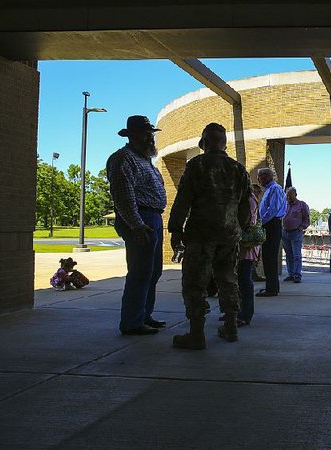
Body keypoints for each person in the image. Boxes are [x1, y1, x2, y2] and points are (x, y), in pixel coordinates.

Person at [167, 123, 250, 349]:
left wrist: (175, 229)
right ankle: (231, 327)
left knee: (195, 282)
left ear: (203, 143)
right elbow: (245, 208)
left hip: (201, 235)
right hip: (229, 235)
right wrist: (238, 230)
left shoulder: (197, 165)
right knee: (228, 279)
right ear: (224, 144)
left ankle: (196, 334)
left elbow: (183, 199)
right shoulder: (237, 169)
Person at [106, 115, 167, 336]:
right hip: (140, 219)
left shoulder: (145, 160)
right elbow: (123, 196)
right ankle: (132, 322)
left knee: (153, 271)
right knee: (140, 272)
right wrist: (137, 225)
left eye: (151, 133)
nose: (151, 137)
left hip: (153, 218)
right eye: (146, 133)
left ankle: (144, 315)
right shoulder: (123, 159)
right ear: (133, 135)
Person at [256, 167, 287, 297]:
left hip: (272, 224)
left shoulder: (274, 188)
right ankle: (271, 286)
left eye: (260, 177)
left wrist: (260, 222)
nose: (259, 180)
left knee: (270, 257)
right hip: (269, 224)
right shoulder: (270, 189)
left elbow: (273, 209)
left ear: (267, 176)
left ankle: (272, 289)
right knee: (268, 257)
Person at [236, 182, 262, 325]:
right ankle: (239, 311)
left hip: (244, 246)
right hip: (243, 246)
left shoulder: (247, 199)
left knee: (244, 280)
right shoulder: (248, 198)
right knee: (241, 280)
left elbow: (244, 222)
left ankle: (245, 314)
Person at [280, 186, 310, 283]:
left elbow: (307, 219)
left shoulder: (302, 205)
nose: (288, 197)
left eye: (290, 195)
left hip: (296, 232)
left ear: (295, 195)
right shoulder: (284, 204)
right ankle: (291, 274)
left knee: (297, 255)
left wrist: (301, 227)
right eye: (287, 195)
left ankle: (297, 275)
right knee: (289, 255)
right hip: (285, 232)